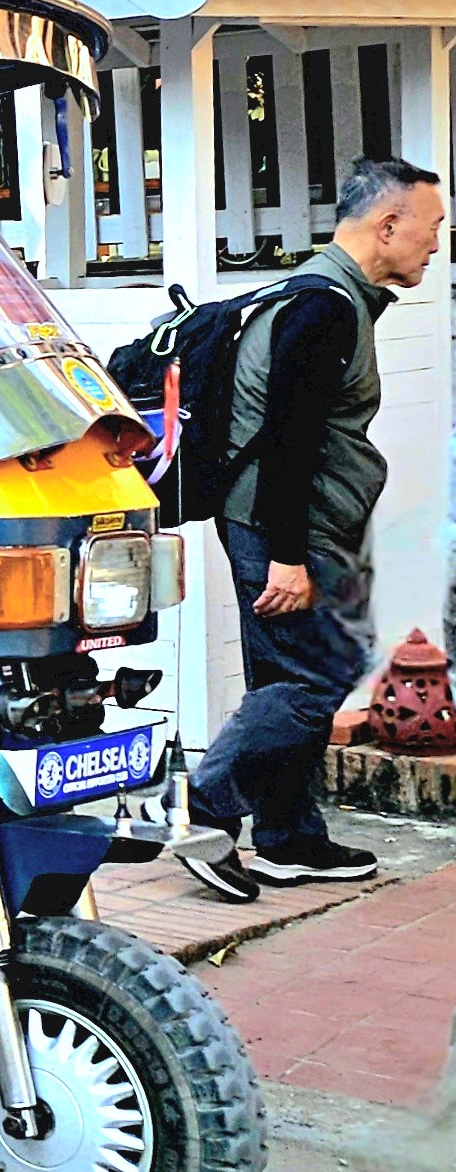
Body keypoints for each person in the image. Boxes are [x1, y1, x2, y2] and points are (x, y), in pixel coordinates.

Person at [183, 156, 444, 902]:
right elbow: (289, 440)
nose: (434, 246)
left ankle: (288, 838)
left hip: (282, 524)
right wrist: (289, 559)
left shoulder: (324, 295)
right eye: (431, 230)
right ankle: (203, 811)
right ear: (387, 225)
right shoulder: (323, 307)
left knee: (282, 677)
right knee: (320, 670)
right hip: (286, 530)